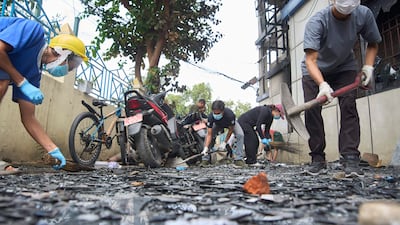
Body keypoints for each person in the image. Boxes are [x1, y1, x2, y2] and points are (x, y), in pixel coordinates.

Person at [301, 0, 381, 177]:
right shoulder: (317, 21)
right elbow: (310, 60)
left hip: (344, 66)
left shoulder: (363, 14)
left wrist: (368, 67)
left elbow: (373, 43)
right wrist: (322, 84)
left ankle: (350, 157)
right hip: (314, 69)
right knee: (313, 110)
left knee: (349, 106)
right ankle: (317, 159)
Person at [0, 17, 89, 170]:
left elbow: (28, 117)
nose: (67, 71)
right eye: (70, 67)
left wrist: (52, 149)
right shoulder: (34, 31)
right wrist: (21, 81)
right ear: (63, 53)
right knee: (2, 83)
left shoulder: (34, 74)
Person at [200, 100, 245, 167]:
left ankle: (238, 159)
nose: (216, 115)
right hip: (218, 124)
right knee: (207, 136)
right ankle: (205, 159)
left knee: (240, 135)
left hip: (229, 124)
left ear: (223, 111)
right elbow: (209, 134)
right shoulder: (211, 117)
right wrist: (206, 147)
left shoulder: (230, 115)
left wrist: (224, 142)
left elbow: (230, 130)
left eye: (218, 113)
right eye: (214, 113)